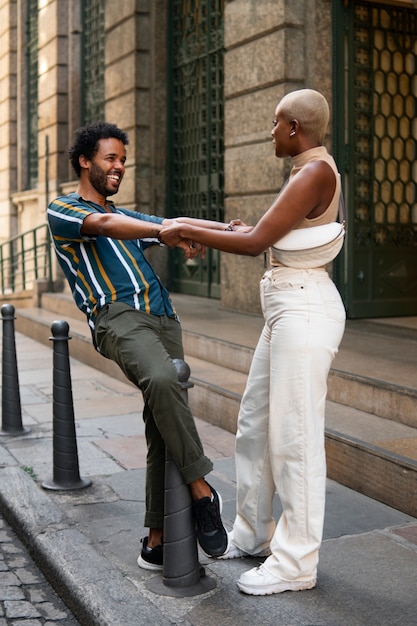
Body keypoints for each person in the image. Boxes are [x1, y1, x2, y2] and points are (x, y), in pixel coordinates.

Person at [158, 89, 346, 595]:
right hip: (287, 308)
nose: (269, 131)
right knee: (257, 423)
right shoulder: (308, 170)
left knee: (295, 439)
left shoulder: (313, 173)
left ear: (293, 128)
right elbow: (262, 231)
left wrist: (180, 228)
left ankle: (295, 563)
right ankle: (254, 533)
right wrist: (180, 226)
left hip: (304, 310)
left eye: (274, 123)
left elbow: (254, 242)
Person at [47, 121, 230, 571]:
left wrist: (226, 228)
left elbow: (171, 225)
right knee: (165, 379)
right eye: (110, 158)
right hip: (117, 318)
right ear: (84, 161)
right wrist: (164, 233)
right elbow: (106, 224)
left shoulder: (128, 216)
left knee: (161, 423)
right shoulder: (64, 209)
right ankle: (203, 491)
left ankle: (156, 540)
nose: (119, 167)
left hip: (163, 318)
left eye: (123, 160)